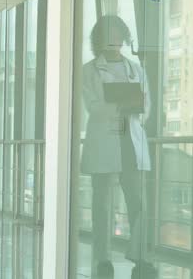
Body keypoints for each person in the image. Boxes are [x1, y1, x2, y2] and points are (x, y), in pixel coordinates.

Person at [81, 15, 157, 279]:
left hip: (130, 144)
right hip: (104, 144)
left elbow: (146, 107)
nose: (113, 39)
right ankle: (103, 260)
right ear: (99, 40)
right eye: (108, 34)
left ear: (124, 37)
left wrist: (127, 103)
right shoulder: (89, 70)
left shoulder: (136, 68)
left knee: (139, 204)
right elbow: (93, 106)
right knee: (102, 206)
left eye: (117, 33)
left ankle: (141, 256)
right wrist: (124, 102)